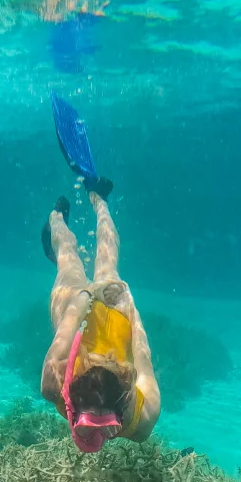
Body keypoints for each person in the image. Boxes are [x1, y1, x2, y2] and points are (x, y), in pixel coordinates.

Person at [40, 182, 160, 453]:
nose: (98, 441)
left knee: (75, 261)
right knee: (88, 265)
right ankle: (62, 216)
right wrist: (128, 306)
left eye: (109, 428)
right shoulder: (145, 417)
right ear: (69, 404)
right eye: (89, 427)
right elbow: (144, 358)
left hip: (93, 319)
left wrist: (88, 296)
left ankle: (91, 201)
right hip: (113, 319)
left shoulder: (52, 383)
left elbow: (143, 359)